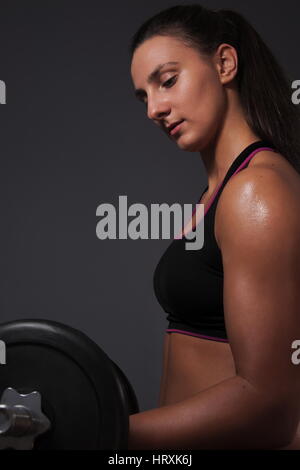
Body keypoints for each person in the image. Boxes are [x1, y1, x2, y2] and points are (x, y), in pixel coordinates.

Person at [128, 4, 300, 449]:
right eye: (143, 97)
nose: (154, 109)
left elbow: (270, 404)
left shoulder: (256, 192)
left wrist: (109, 433)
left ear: (224, 64)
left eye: (167, 81)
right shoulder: (217, 195)